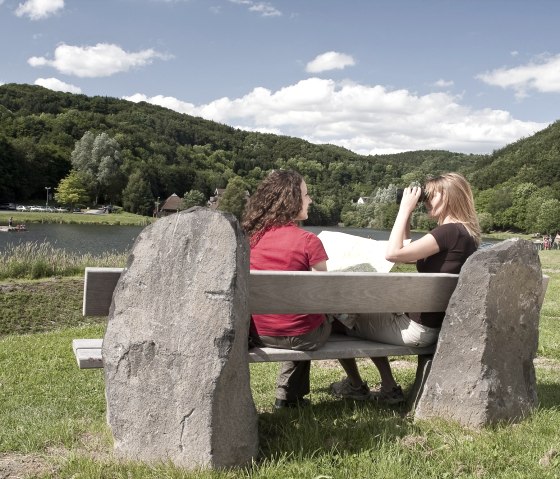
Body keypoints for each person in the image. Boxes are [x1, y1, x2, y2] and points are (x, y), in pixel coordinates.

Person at [330, 173, 481, 404]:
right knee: (362, 313)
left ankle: (357, 385)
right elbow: (407, 251)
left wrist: (403, 209)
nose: (427, 200)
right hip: (431, 326)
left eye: (431, 195)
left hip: (416, 330)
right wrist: (408, 214)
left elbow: (393, 253)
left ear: (448, 197)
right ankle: (387, 386)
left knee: (339, 317)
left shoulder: (448, 232)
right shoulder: (464, 234)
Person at [241, 170, 332, 409]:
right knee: (313, 319)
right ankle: (288, 396)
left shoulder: (248, 238)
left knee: (299, 316)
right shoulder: (308, 241)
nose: (310, 199)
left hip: (258, 332)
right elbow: (323, 295)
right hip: (302, 336)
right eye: (305, 194)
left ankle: (289, 396)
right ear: (290, 201)